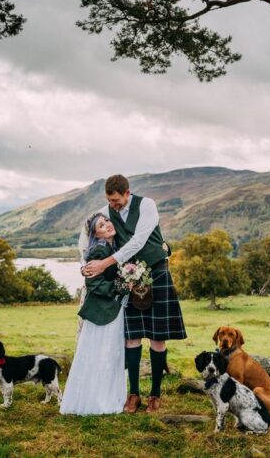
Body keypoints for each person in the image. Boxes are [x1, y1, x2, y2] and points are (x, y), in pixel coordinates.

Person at [82, 174, 186, 414]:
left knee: (158, 338)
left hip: (157, 273)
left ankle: (156, 395)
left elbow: (138, 241)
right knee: (132, 337)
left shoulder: (147, 205)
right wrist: (87, 263)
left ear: (127, 193)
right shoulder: (107, 210)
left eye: (116, 200)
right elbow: (88, 230)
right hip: (129, 279)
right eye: (110, 200)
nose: (113, 205)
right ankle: (133, 394)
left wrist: (105, 262)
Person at [60, 213, 127, 415]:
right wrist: (121, 286)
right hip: (102, 311)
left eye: (107, 221)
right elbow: (94, 283)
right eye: (101, 224)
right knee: (102, 354)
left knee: (108, 355)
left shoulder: (111, 248)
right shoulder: (98, 250)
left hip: (110, 309)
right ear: (95, 234)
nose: (107, 225)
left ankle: (105, 397)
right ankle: (98, 402)